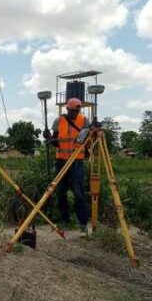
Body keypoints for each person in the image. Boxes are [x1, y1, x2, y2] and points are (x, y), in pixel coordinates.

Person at [43, 98, 90, 235]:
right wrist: (49, 139)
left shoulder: (84, 120)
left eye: (77, 111)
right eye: (73, 111)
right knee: (61, 191)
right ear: (67, 109)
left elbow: (88, 139)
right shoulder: (58, 121)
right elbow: (56, 141)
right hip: (61, 161)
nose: (75, 113)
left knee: (78, 193)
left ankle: (82, 224)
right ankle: (65, 219)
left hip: (77, 161)